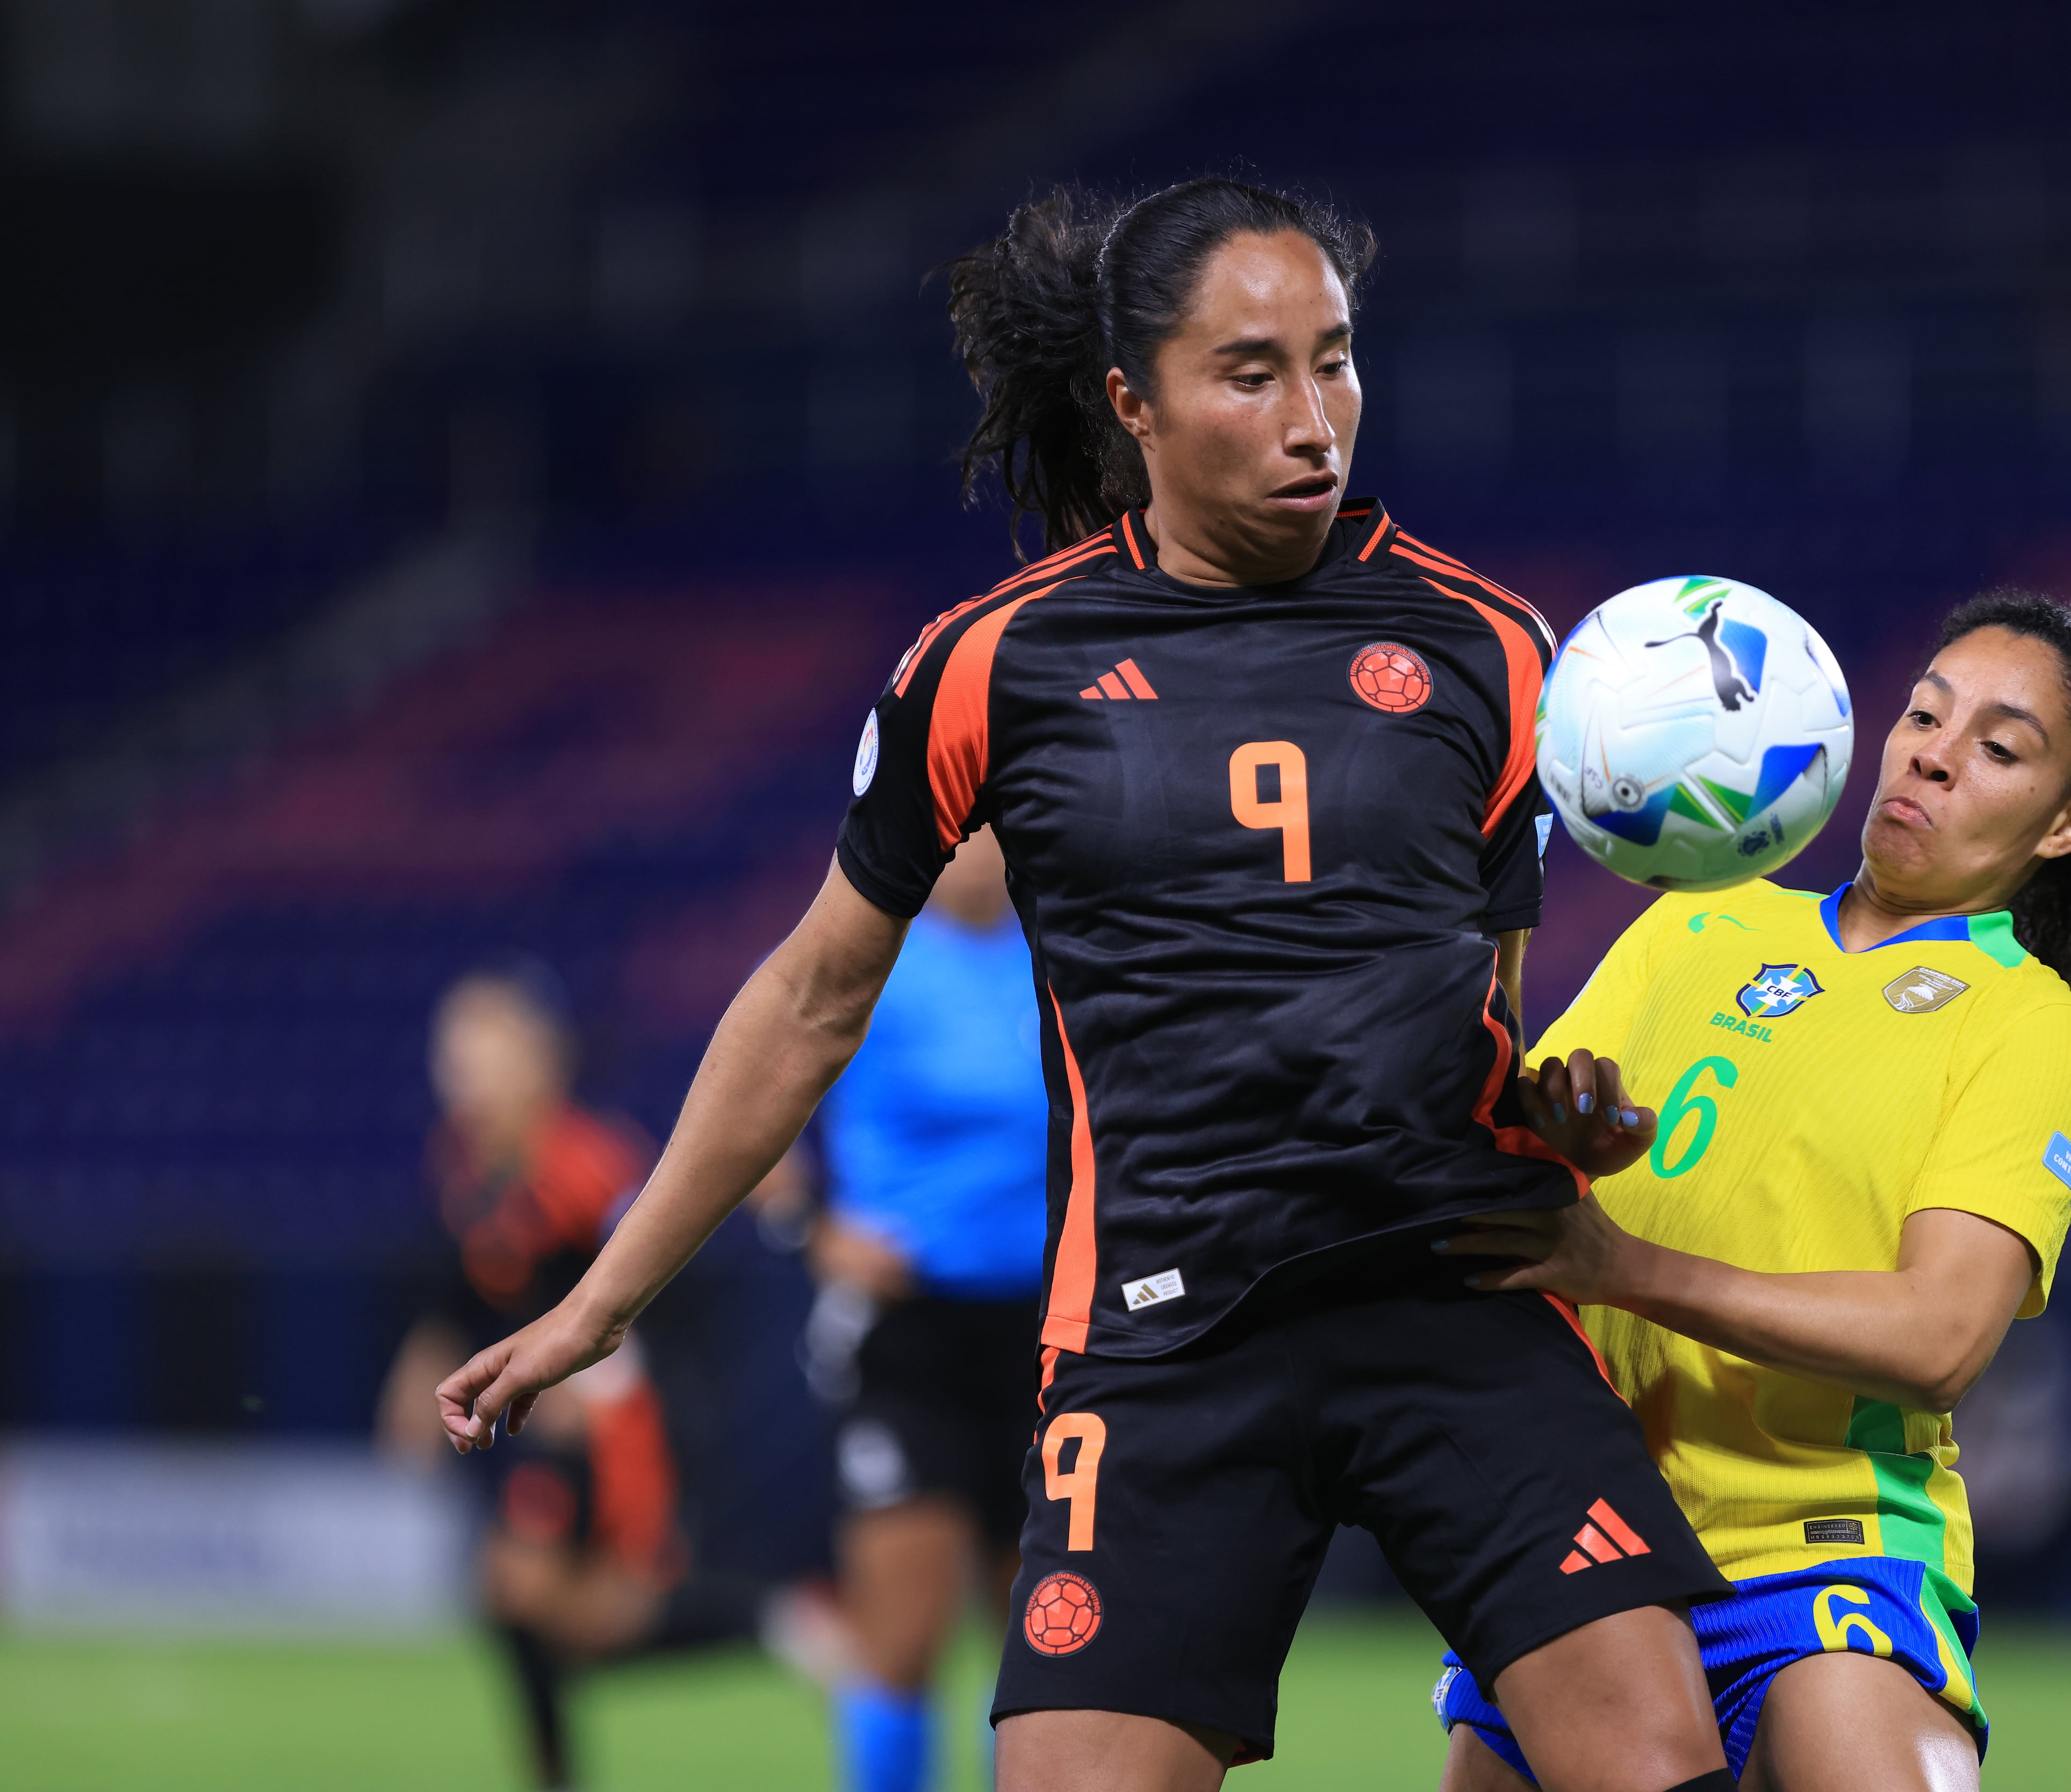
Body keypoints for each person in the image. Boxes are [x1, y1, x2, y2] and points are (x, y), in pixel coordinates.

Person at [434, 177, 1741, 1792]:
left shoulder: (1495, 650)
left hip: (1453, 1305)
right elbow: (809, 1002)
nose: (1314, 415)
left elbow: (1494, 1009)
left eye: (1335, 360)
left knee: (1661, 1757)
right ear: (1133, 402)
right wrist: (597, 1301)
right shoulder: (995, 663)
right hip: (1165, 1342)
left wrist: (1566, 1116)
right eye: (1251, 372)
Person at [1428, 544, 2071, 1792]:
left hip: (1813, 1553)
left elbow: (1939, 1335)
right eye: (1925, 712)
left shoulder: (2031, 1024)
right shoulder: (1696, 920)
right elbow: (1492, 1145)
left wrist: (1625, 1266)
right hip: (1583, 1541)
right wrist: (1557, 1130)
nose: (1931, 752)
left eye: (1998, 747)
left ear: (2070, 822)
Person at [381, 962, 806, 1790]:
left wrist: (598, 1381)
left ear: (539, 1059)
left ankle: (772, 1619)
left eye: (481, 1051)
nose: (461, 1074)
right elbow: (463, 1293)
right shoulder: (464, 1168)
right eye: (452, 1054)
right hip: (531, 1414)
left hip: (612, 1417)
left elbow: (651, 1288)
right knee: (527, 1607)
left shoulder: (589, 1164)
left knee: (546, 1600)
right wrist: (421, 1365)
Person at [805, 823, 1046, 1792]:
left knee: (1040, 1646)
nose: (978, 853)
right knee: (902, 1636)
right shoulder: (877, 958)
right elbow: (759, 1100)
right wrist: (817, 1231)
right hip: (913, 1329)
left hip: (1045, 1331)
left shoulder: (1057, 954)